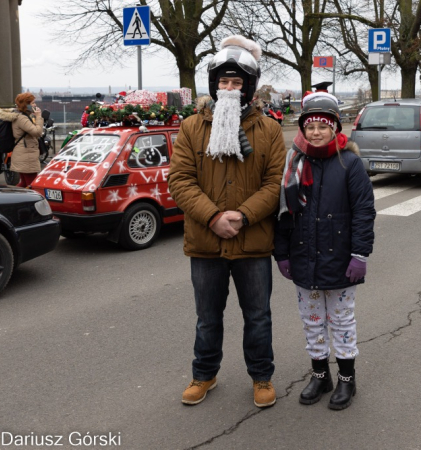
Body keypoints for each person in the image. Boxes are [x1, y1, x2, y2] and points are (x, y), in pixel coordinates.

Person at [168, 35, 286, 408]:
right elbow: (180, 180)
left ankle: (262, 377)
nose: (229, 88)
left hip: (253, 241)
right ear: (214, 84)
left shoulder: (268, 130)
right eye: (224, 82)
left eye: (237, 83)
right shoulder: (191, 128)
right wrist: (213, 217)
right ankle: (204, 375)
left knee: (258, 316)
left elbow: (274, 183)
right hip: (205, 241)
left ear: (248, 88)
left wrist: (244, 215)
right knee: (207, 318)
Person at [274, 92, 376, 410]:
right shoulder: (294, 163)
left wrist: (360, 255)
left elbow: (364, 211)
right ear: (303, 129)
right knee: (313, 320)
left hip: (340, 259)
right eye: (310, 126)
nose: (316, 132)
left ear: (334, 127)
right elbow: (281, 214)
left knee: (342, 321)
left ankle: (347, 379)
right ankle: (320, 374)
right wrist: (282, 253)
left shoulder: (350, 163)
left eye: (323, 125)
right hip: (304, 257)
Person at [0, 93, 43, 187]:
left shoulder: (19, 115)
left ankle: (15, 198)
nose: (34, 105)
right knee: (32, 185)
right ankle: (23, 200)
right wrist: (39, 117)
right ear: (26, 104)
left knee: (24, 183)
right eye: (33, 103)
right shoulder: (21, 118)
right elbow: (37, 132)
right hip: (27, 154)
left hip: (23, 152)